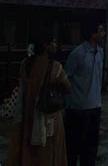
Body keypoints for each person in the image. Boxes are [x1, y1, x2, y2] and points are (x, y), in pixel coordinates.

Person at [6, 36, 70, 166]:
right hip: (49, 117)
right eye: (53, 42)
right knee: (49, 155)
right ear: (46, 46)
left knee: (29, 154)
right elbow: (68, 87)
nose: (56, 45)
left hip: (27, 117)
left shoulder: (25, 64)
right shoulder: (55, 67)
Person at [64, 22, 105, 166]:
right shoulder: (77, 54)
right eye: (100, 31)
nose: (103, 34)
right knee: (73, 147)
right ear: (92, 34)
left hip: (95, 106)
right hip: (77, 108)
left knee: (91, 147)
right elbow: (65, 77)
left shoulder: (100, 52)